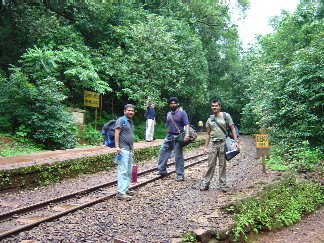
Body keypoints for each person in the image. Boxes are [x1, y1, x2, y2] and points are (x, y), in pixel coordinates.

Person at [200, 99, 239, 192]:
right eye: (213, 106)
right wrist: (205, 147)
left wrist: (236, 141)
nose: (214, 107)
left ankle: (223, 185)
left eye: (216, 106)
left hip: (223, 143)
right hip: (213, 144)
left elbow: (232, 129)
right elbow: (208, 134)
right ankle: (205, 183)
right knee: (211, 165)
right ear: (211, 107)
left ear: (219, 106)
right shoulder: (209, 119)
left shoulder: (226, 116)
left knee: (222, 165)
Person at [154, 97, 190, 181]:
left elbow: (187, 124)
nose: (173, 104)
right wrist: (166, 135)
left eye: (174, 103)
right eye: (171, 103)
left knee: (178, 156)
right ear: (169, 104)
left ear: (177, 104)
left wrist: (187, 134)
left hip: (177, 137)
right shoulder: (168, 114)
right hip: (169, 137)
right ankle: (161, 170)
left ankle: (180, 175)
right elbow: (168, 125)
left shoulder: (182, 113)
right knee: (162, 152)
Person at [115, 104, 135, 200]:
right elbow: (117, 133)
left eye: (132, 111)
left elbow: (131, 138)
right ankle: (121, 192)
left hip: (129, 150)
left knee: (128, 171)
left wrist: (133, 151)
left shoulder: (130, 122)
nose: (130, 112)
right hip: (123, 149)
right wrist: (117, 147)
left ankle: (126, 189)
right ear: (124, 111)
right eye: (129, 110)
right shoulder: (121, 120)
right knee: (122, 171)